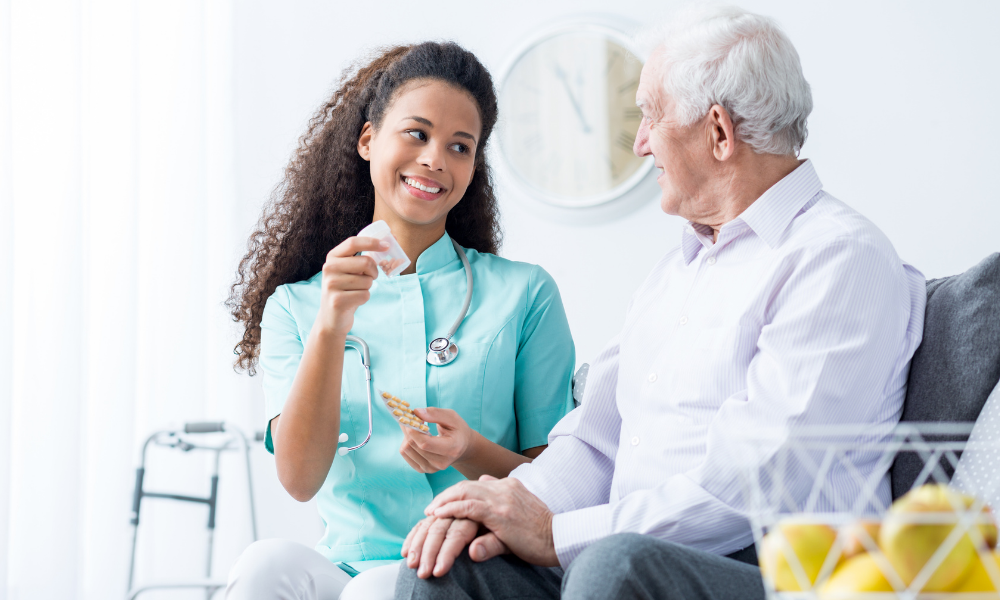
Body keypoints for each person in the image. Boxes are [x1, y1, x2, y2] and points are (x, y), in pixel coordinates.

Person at [395, 7, 927, 600]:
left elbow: (764, 479)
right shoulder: (676, 270)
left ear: (719, 133)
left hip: (784, 573)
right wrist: (507, 504)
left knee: (613, 567)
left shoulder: (839, 258)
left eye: (651, 115)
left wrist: (562, 535)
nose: (641, 142)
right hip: (624, 552)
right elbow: (595, 441)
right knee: (451, 557)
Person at [224, 42, 576, 600]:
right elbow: (298, 480)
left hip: (473, 563)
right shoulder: (297, 306)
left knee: (376, 592)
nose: (436, 158)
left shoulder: (523, 294)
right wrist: (331, 325)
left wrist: (470, 451)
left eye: (460, 146)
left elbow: (560, 484)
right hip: (349, 564)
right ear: (369, 141)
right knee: (264, 565)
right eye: (417, 133)